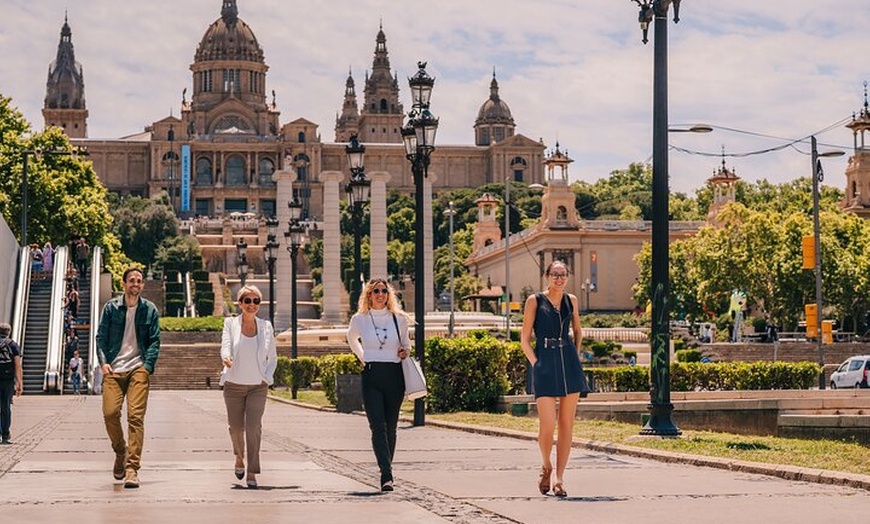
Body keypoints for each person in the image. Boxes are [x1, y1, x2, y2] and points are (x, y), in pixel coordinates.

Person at [520, 260, 590, 498]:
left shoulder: (572, 300)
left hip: (568, 361)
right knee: (547, 425)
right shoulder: (535, 301)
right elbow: (524, 339)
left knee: (567, 424)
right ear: (547, 276)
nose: (559, 279)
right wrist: (536, 363)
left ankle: (560, 478)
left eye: (563, 275)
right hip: (545, 363)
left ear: (567, 277)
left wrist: (575, 355)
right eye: (555, 275)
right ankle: (546, 466)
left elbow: (578, 331)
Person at [96, 267, 160, 489]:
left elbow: (154, 341)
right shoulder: (111, 308)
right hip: (113, 368)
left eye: (139, 281)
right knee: (110, 413)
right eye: (132, 280)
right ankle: (120, 451)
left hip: (138, 369)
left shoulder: (149, 310)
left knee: (135, 417)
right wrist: (103, 362)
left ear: (142, 285)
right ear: (123, 284)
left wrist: (147, 366)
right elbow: (101, 337)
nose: (136, 283)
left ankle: (132, 468)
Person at [346, 278, 411, 492]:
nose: (380, 294)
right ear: (369, 295)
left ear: (389, 294)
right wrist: (364, 357)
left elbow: (406, 345)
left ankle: (386, 469)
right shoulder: (360, 319)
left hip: (394, 375)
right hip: (372, 375)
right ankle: (387, 474)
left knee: (390, 427)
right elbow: (351, 338)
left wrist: (404, 352)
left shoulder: (399, 319)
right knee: (377, 426)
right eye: (376, 291)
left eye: (384, 290)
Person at [219, 285, 277, 489]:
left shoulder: (266, 327)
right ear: (240, 304)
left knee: (253, 428)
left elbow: (273, 357)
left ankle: (252, 470)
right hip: (233, 385)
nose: (252, 305)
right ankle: (239, 456)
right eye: (248, 301)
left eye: (256, 301)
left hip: (257, 387)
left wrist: (266, 378)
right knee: (235, 428)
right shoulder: (230, 323)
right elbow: (225, 344)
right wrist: (225, 357)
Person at [0, 323, 23, 444]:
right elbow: (17, 365)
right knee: (6, 406)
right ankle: (5, 434)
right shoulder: (13, 345)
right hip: (8, 380)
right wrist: (19, 382)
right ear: (9, 332)